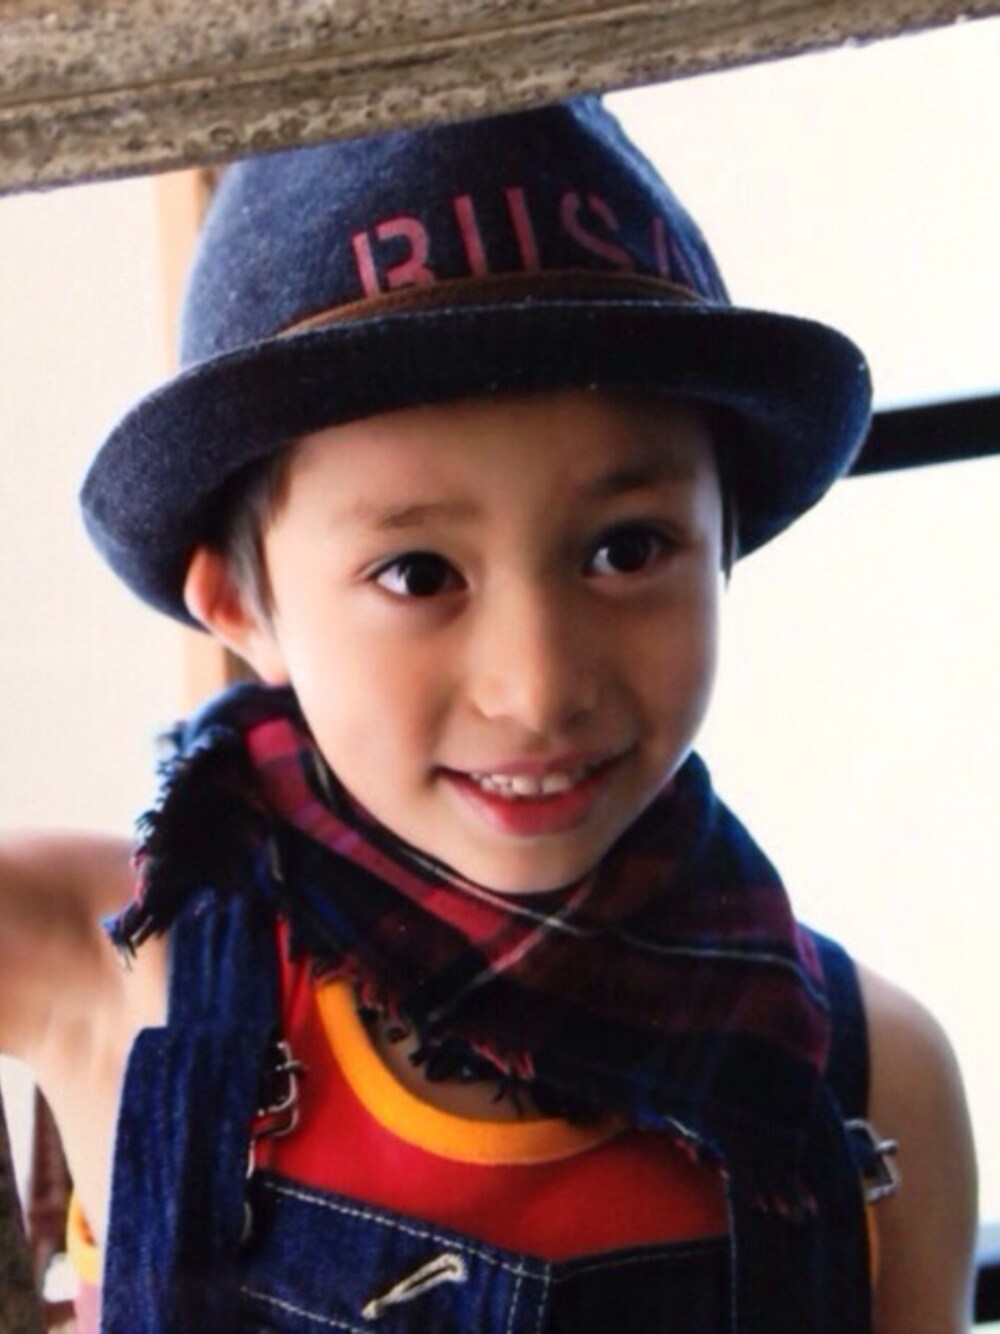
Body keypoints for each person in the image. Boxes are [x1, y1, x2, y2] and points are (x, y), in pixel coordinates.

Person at [0, 98, 977, 1332]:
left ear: (727, 538)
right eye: (418, 572)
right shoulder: (112, 959)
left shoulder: (868, 1078)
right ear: (242, 604)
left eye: (627, 548)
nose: (538, 684)